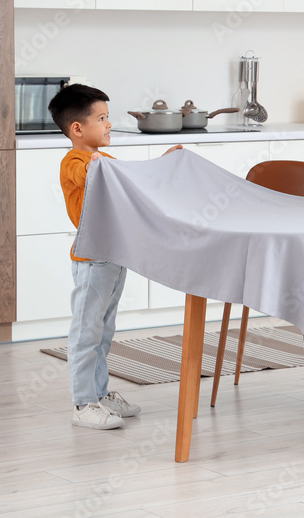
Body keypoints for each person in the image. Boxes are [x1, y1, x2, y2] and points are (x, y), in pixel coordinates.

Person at [48, 83, 182, 429]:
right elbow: (86, 173)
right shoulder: (76, 161)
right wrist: (95, 163)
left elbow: (133, 181)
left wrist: (165, 164)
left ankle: (100, 394)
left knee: (104, 330)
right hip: (93, 258)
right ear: (77, 129)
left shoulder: (104, 160)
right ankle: (83, 404)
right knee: (86, 331)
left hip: (113, 255)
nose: (109, 124)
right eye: (103, 118)